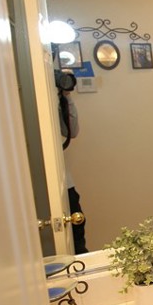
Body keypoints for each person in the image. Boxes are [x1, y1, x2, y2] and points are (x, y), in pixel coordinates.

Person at [57, 71, 88, 254]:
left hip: (66, 182)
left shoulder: (59, 99)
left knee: (77, 230)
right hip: (59, 184)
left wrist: (66, 97)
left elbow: (72, 131)